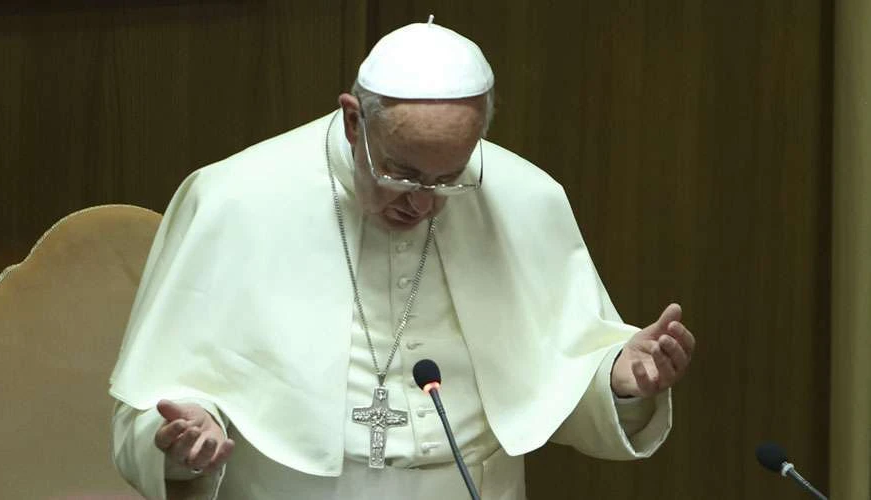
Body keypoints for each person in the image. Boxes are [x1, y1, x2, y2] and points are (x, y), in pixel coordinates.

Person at [109, 18, 695, 500]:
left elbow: (557, 378)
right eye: (401, 173)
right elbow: (159, 401)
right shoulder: (233, 198)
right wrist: (188, 434)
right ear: (353, 120)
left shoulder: (525, 195)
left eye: (449, 179)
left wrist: (616, 379)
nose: (423, 203)